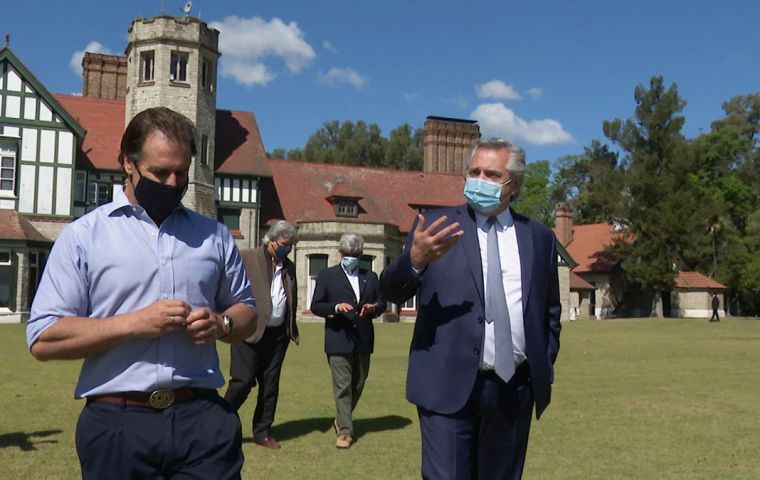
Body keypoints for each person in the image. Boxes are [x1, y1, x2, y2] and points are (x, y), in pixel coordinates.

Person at [26, 107, 257, 480]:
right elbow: (43, 338)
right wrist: (135, 324)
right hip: (118, 425)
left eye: (181, 173)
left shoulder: (214, 236)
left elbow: (247, 311)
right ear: (128, 164)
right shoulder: (84, 236)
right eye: (159, 172)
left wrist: (222, 323)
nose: (171, 182)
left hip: (202, 422)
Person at [380, 138, 562, 479]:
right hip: (446, 387)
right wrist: (414, 261)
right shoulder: (434, 226)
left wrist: (543, 364)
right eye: (474, 171)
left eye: (492, 174)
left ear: (514, 185)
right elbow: (388, 290)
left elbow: (549, 312)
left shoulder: (539, 238)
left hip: (513, 390)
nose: (479, 180)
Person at [223, 220, 300, 449]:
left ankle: (262, 431)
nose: (289, 249)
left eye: (292, 245)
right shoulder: (247, 258)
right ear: (272, 241)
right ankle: (220, 421)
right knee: (242, 381)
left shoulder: (290, 267)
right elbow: (229, 288)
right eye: (286, 244)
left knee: (270, 386)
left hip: (278, 335)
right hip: (248, 331)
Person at [310, 233, 386, 449]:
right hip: (337, 338)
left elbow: (382, 302)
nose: (350, 257)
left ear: (360, 255)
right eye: (347, 254)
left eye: (354, 254)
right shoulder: (327, 275)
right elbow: (317, 305)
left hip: (363, 338)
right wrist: (335, 308)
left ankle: (341, 419)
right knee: (342, 386)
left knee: (358, 383)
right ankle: (345, 431)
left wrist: (374, 308)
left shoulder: (370, 277)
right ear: (340, 253)